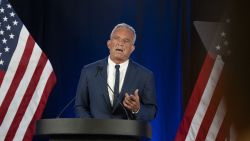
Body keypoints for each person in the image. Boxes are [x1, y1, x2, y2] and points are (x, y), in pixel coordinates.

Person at [75, 23, 157, 121]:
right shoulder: (89, 71)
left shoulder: (145, 76)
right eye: (116, 38)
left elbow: (151, 112)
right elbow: (80, 106)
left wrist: (137, 109)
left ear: (132, 48)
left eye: (126, 41)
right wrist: (92, 127)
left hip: (128, 134)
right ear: (109, 44)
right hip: (95, 134)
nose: (120, 43)